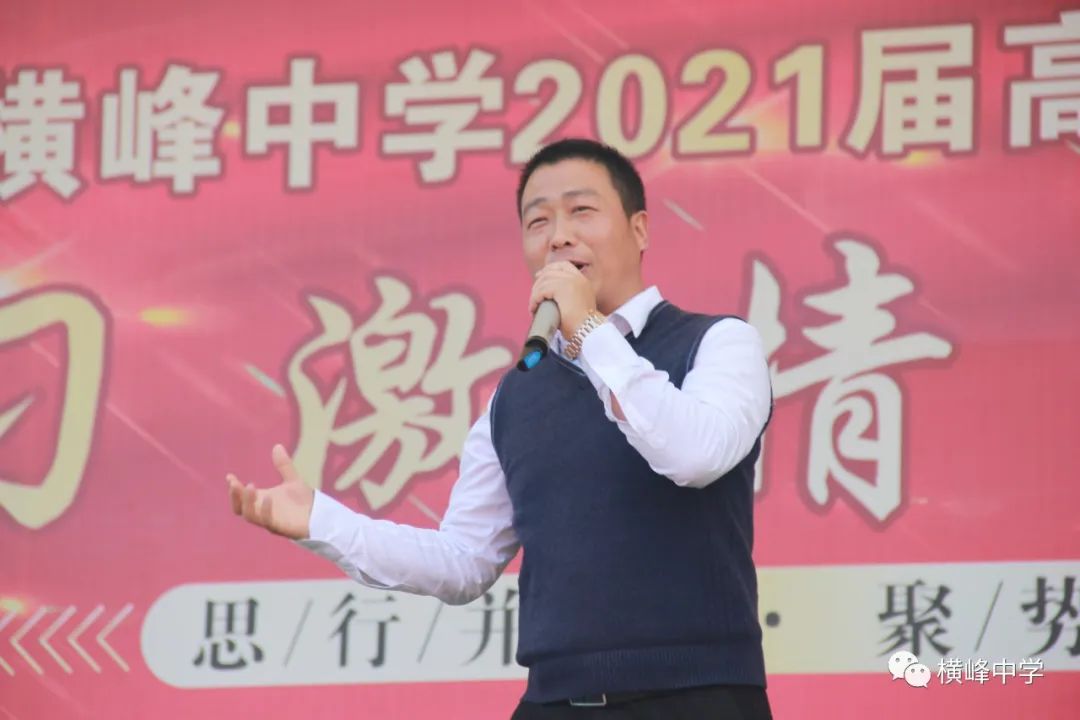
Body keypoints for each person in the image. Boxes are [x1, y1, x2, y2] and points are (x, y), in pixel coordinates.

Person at [226, 138, 774, 719]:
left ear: (639, 229)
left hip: (697, 696)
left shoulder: (718, 343)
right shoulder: (516, 396)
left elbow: (693, 456)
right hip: (553, 701)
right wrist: (322, 521)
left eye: (581, 211)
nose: (558, 236)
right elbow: (464, 559)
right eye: (538, 221)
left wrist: (588, 328)